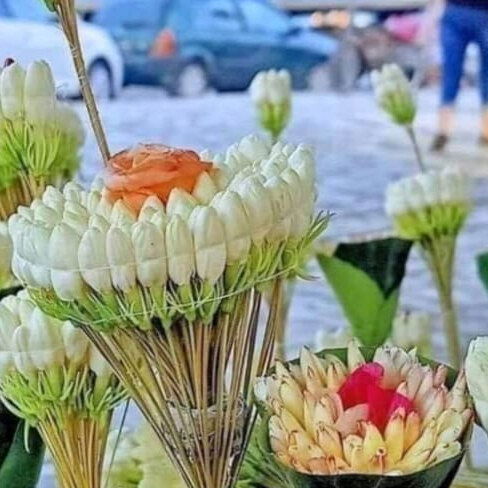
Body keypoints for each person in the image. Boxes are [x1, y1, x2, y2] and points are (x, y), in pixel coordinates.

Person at [431, 0, 488, 151]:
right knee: (451, 74)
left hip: (475, 13)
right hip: (455, 12)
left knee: (453, 74)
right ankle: (443, 130)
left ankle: (485, 131)